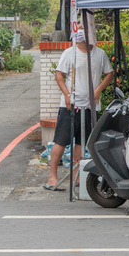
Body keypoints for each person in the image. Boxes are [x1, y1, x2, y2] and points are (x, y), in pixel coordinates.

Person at [45, 29, 114, 191]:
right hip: (70, 105)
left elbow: (109, 74)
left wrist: (98, 91)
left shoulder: (100, 54)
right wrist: (67, 95)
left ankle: (76, 176)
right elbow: (59, 75)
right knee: (61, 141)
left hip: (91, 106)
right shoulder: (70, 53)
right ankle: (52, 177)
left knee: (81, 143)